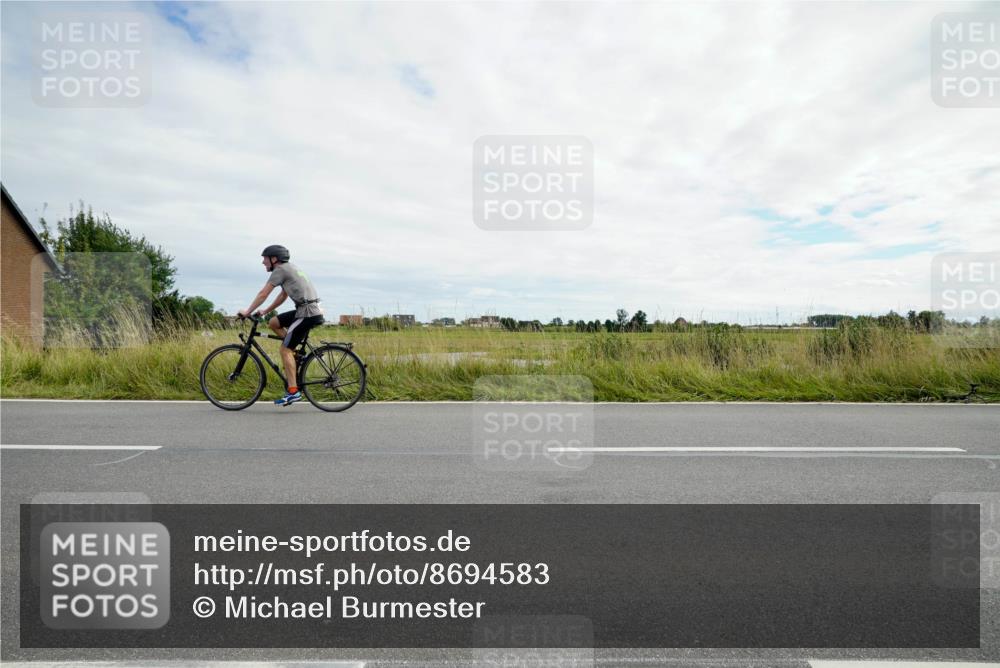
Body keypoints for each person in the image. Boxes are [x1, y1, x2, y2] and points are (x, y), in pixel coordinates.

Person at [238, 245, 324, 406]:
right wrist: (264, 311)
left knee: (285, 349)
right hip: (308, 310)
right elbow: (283, 295)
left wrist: (248, 312)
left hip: (306, 313)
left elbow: (263, 293)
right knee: (273, 322)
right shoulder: (290, 268)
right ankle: (294, 353)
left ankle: (293, 392)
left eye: (265, 258)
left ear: (274, 259)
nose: (263, 262)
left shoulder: (280, 270)